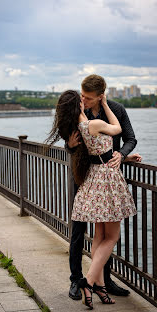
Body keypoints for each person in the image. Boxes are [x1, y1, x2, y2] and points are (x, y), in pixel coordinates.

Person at [66, 75, 140, 300]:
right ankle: (77, 281)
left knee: (101, 232)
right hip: (84, 178)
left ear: (100, 97)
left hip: (107, 178)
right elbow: (69, 141)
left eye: (88, 98)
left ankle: (103, 281)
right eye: (82, 96)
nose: (83, 100)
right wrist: (69, 145)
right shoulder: (80, 111)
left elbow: (130, 138)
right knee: (79, 232)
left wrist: (122, 154)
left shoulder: (116, 108)